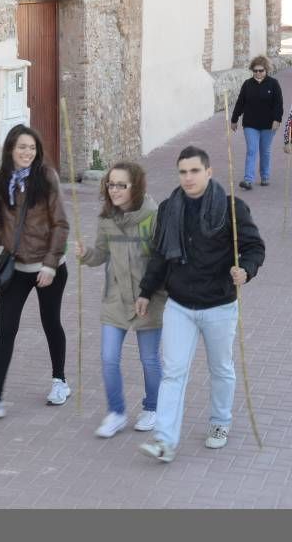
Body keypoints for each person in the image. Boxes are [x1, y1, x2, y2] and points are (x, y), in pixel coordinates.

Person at [137, 146, 264, 463]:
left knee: (220, 368)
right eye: (183, 171)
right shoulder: (169, 208)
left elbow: (253, 246)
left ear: (209, 172)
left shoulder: (231, 207)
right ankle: (165, 440)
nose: (188, 177)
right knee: (173, 372)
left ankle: (220, 423)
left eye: (194, 171)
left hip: (219, 304)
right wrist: (146, 290)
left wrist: (245, 269)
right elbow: (159, 255)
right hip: (180, 304)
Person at [0, 125, 70, 419]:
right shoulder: (3, 179)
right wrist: (4, 242)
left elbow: (61, 225)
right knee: (6, 329)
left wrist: (50, 264)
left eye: (31, 148)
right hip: (16, 266)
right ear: (10, 150)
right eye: (21, 147)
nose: (27, 152)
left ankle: (60, 381)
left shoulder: (47, 177)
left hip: (47, 267)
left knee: (50, 322)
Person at [75, 162, 165, 437]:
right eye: (110, 184)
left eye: (120, 185)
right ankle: (116, 412)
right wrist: (86, 254)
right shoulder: (106, 218)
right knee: (108, 358)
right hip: (115, 298)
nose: (114, 190)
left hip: (147, 299)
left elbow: (161, 261)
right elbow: (102, 254)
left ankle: (152, 407)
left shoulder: (153, 216)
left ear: (135, 186)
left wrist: (149, 294)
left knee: (149, 359)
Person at [230, 55, 283, 189]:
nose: (258, 73)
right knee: (252, 150)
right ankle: (248, 179)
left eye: (261, 70)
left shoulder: (273, 83)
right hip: (250, 124)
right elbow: (240, 103)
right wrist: (234, 119)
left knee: (265, 151)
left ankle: (265, 176)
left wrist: (277, 119)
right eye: (255, 71)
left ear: (266, 70)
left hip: (268, 125)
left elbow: (278, 104)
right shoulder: (247, 84)